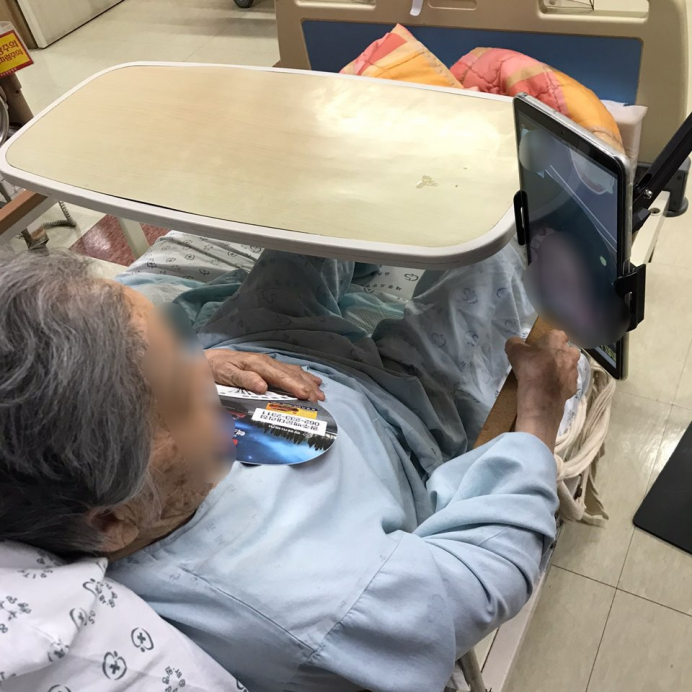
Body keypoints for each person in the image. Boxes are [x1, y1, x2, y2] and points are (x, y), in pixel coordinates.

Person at [0, 248, 578, 692]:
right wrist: (539, 411)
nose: (201, 376)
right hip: (400, 405)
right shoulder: (319, 609)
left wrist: (203, 360)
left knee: (322, 213)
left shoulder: (129, 461)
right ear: (111, 522)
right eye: (182, 393)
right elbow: (487, 572)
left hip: (257, 345)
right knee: (497, 252)